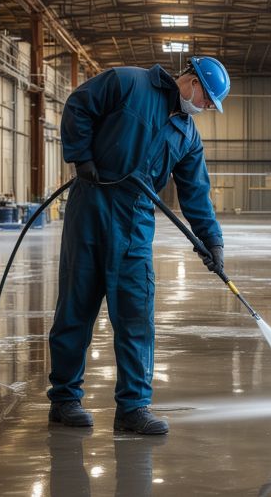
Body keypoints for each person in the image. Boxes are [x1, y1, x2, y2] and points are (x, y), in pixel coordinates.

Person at [47, 57, 230, 435]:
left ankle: (132, 408)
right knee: (76, 309)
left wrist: (211, 239)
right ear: (191, 81)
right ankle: (64, 400)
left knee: (135, 317)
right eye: (208, 99)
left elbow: (196, 192)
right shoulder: (128, 84)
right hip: (91, 208)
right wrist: (81, 158)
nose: (207, 108)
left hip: (135, 222)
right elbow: (79, 106)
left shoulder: (187, 135)